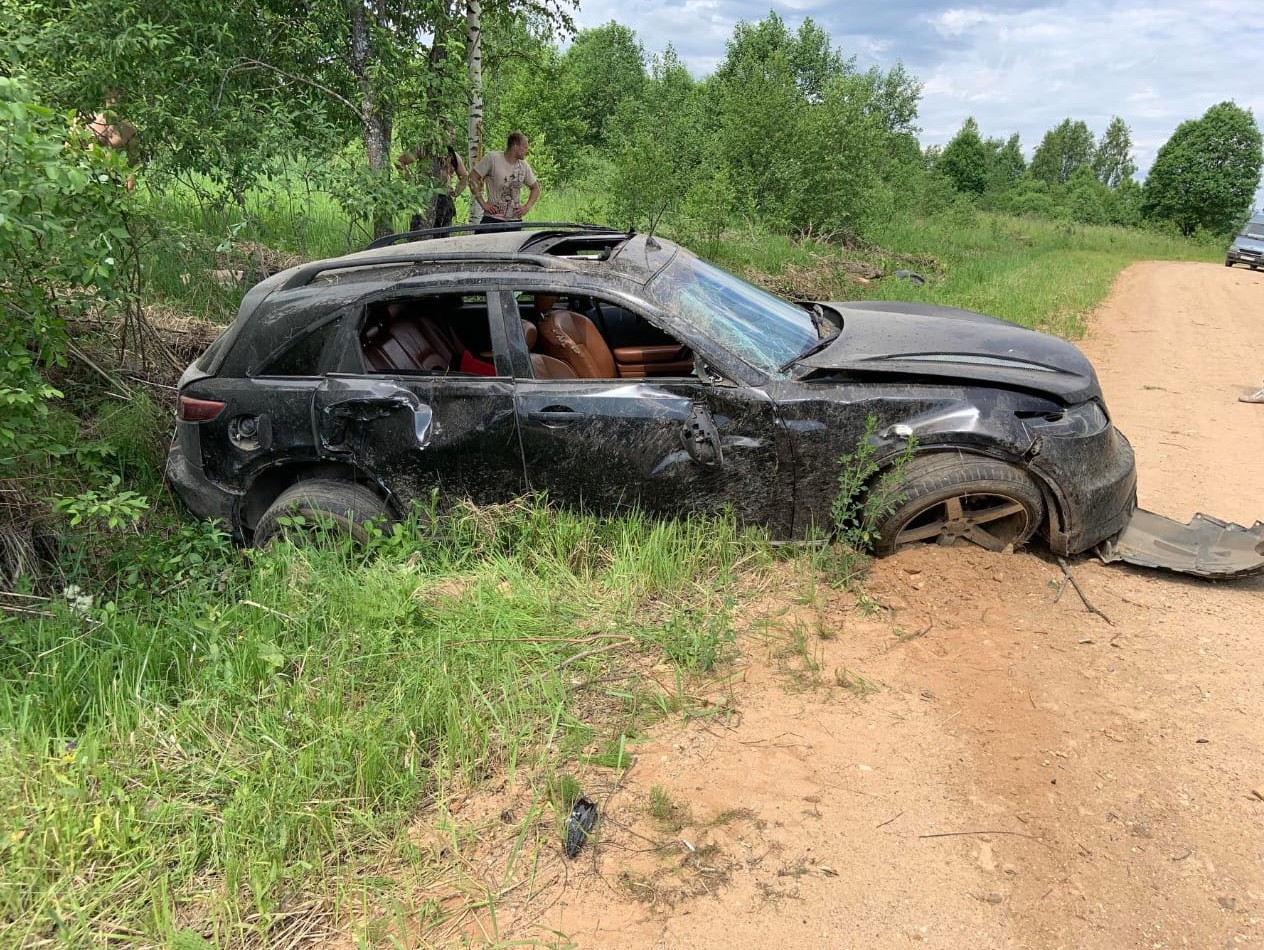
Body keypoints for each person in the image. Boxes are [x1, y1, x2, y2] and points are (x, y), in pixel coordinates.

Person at [468, 131, 539, 225]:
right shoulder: (493, 159)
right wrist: (483, 203)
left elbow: (535, 188)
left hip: (514, 221)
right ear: (515, 146)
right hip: (492, 220)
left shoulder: (524, 166)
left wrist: (526, 207)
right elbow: (472, 177)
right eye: (525, 147)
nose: (527, 150)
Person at [397, 139, 467, 232]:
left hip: (444, 198)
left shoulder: (454, 156)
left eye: (452, 134)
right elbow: (399, 162)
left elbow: (465, 176)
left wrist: (456, 192)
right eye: (449, 133)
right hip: (424, 197)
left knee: (443, 235)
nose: (451, 137)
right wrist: (411, 182)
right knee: (419, 232)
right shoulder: (424, 149)